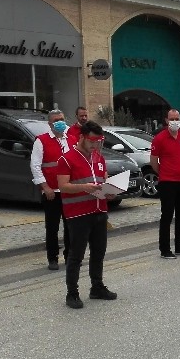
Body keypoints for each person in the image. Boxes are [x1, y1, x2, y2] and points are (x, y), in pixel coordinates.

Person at [56, 120, 117, 308]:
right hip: (78, 214)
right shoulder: (66, 159)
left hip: (99, 211)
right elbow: (63, 186)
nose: (94, 145)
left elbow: (104, 180)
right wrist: (85, 187)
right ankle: (72, 293)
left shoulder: (99, 158)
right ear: (82, 137)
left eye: (98, 142)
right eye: (91, 141)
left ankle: (97, 287)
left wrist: (111, 191)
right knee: (76, 255)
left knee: (99, 252)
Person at [30, 109, 72, 270]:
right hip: (52, 192)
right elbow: (35, 166)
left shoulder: (71, 139)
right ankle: (52, 258)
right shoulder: (41, 141)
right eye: (56, 120)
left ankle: (70, 256)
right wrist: (45, 187)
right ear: (49, 124)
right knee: (52, 227)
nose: (60, 122)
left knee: (71, 226)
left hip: (69, 190)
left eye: (61, 119)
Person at [150, 108, 180, 258]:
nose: (175, 121)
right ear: (166, 120)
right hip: (167, 182)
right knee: (167, 216)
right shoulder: (159, 138)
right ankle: (165, 249)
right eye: (172, 119)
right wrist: (164, 172)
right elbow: (153, 161)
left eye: (177, 119)